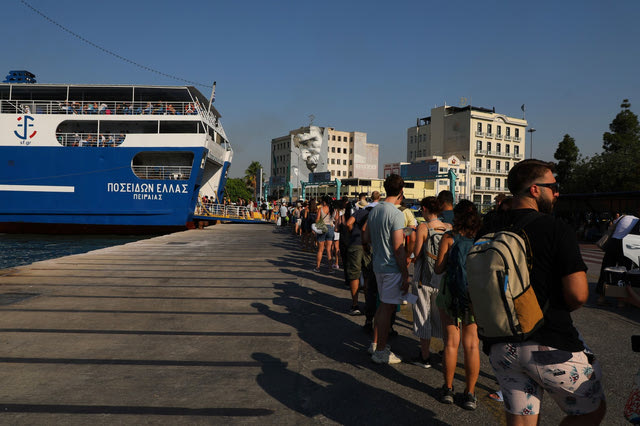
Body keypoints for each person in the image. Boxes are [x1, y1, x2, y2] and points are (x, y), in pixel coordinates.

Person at [479, 159, 606, 425]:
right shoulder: (555, 228)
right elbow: (579, 294)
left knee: (522, 419)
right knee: (591, 411)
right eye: (553, 186)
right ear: (535, 189)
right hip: (549, 342)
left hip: (500, 344)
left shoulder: (489, 227)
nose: (557, 192)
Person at [434, 199, 482, 410]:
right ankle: (470, 394)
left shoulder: (449, 237)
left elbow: (438, 269)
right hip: (475, 297)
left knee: (451, 343)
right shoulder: (482, 239)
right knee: (471, 345)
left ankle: (448, 389)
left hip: (450, 294)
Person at [362, 174, 410, 364]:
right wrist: (406, 274)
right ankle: (381, 351)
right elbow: (399, 248)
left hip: (378, 265)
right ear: (401, 191)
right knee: (386, 309)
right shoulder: (396, 214)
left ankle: (376, 344)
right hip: (391, 267)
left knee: (382, 306)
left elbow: (365, 238)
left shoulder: (375, 210)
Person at [410, 196, 451, 368]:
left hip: (423, 279)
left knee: (422, 316)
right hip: (442, 280)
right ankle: (447, 353)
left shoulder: (423, 227)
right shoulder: (448, 227)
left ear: (425, 209)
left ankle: (425, 357)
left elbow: (417, 253)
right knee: (442, 318)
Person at [596, 211, 640, 305]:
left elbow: (611, 228)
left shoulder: (622, 218)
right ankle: (621, 301)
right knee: (623, 273)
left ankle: (601, 297)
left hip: (612, 244)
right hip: (625, 245)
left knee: (606, 269)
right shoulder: (637, 221)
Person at [314, 196, 335, 273]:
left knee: (320, 250)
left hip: (322, 227)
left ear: (324, 202)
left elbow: (317, 219)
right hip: (330, 228)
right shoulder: (333, 209)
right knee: (329, 250)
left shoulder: (321, 209)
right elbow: (335, 219)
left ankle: (318, 267)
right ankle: (330, 269)